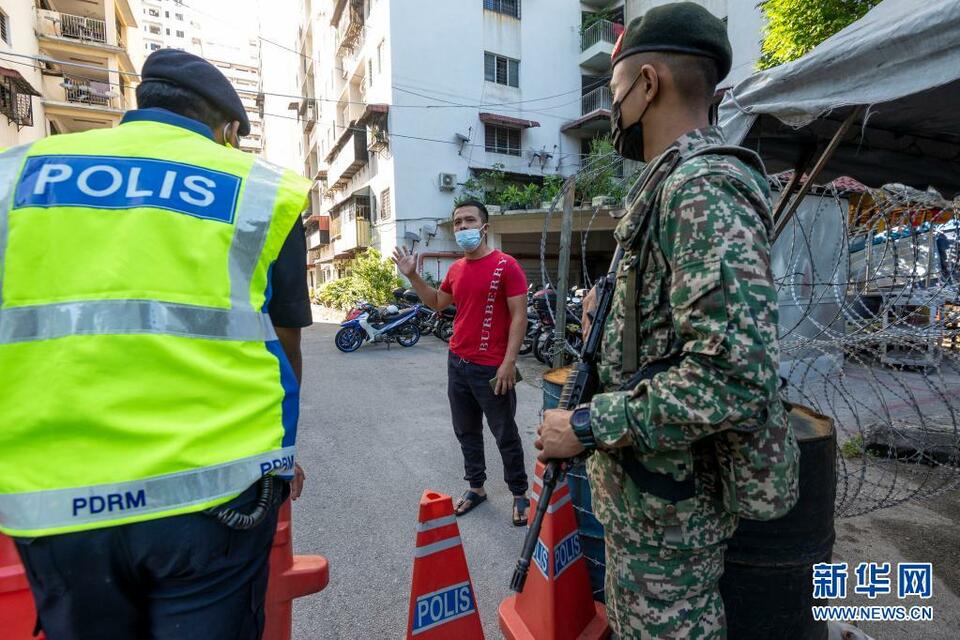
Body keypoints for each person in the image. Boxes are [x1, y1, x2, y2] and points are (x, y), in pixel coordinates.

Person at [0, 49, 313, 639]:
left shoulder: (18, 173)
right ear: (227, 128)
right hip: (214, 492)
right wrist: (283, 453)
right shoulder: (259, 190)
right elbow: (284, 347)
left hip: (56, 496)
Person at [535, 4, 800, 638]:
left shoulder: (700, 188)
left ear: (647, 83)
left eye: (616, 88)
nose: (613, 107)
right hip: (647, 508)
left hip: (672, 519)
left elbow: (734, 376)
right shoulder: (666, 187)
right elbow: (673, 336)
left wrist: (587, 424)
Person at [393, 200, 531, 526]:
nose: (462, 227)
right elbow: (438, 302)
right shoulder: (456, 269)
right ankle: (477, 487)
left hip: (493, 369)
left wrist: (509, 362)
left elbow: (519, 316)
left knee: (504, 433)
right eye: (457, 222)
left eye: (469, 220)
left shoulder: (506, 266)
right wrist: (412, 276)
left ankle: (520, 493)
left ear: (484, 227)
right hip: (458, 364)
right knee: (466, 432)